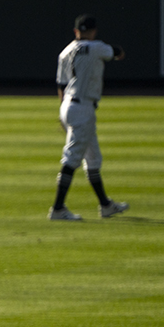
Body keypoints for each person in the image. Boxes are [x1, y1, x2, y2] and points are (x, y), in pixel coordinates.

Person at [48, 14, 129, 221]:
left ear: (76, 31)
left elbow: (61, 85)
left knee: (93, 158)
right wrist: (119, 53)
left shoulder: (65, 51)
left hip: (67, 106)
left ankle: (106, 206)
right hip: (83, 108)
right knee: (72, 158)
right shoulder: (97, 46)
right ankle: (57, 208)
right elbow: (117, 52)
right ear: (93, 31)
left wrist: (62, 114)